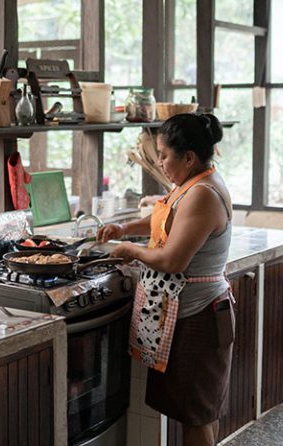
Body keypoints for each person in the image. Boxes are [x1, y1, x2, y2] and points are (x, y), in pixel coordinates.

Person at [97, 113, 234, 446]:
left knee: (195, 417)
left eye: (164, 155)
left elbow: (173, 259)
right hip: (193, 313)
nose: (160, 161)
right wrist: (126, 228)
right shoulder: (194, 183)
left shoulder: (202, 193)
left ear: (188, 157)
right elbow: (169, 221)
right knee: (198, 412)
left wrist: (131, 250)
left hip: (198, 317)